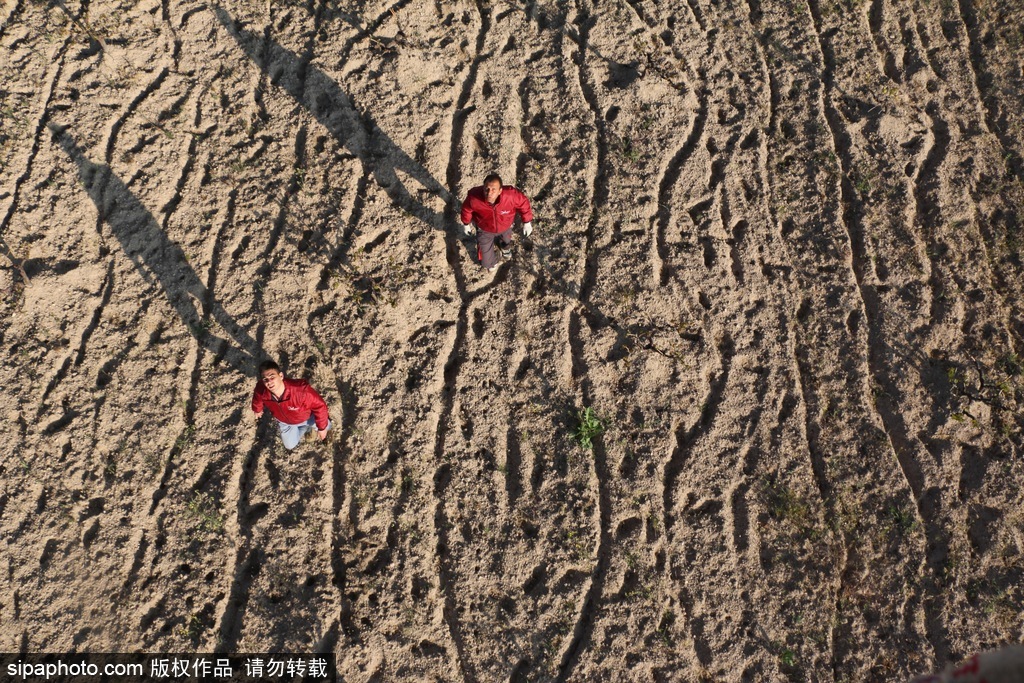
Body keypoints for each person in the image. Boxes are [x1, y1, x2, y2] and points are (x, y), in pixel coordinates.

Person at [459, 173, 534, 272]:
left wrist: (527, 222)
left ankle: (505, 249)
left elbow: (523, 203)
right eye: (487, 189)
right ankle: (490, 263)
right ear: (483, 188)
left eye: (494, 190)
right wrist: (466, 223)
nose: (489, 193)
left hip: (505, 226)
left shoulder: (511, 196)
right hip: (484, 229)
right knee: (486, 259)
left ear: (500, 191)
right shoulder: (474, 198)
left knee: (506, 241)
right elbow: (466, 210)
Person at [251, 360, 331, 449]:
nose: (269, 382)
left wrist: (322, 428)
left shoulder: (300, 391)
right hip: (285, 422)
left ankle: (312, 426)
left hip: (307, 418)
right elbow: (257, 397)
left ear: (281, 376)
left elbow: (320, 406)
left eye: (272, 377)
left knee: (326, 427)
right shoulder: (261, 389)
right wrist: (257, 409)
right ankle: (306, 428)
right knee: (290, 445)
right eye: (265, 379)